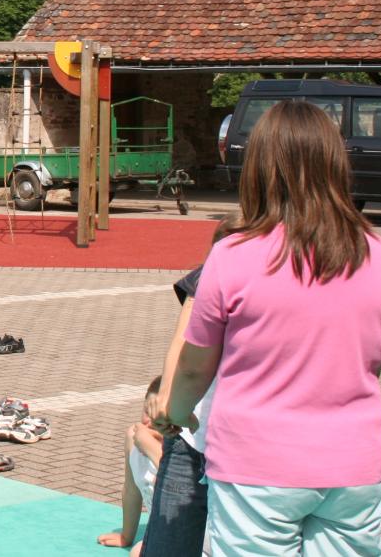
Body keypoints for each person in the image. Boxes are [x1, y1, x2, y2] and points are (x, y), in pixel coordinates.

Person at [155, 101, 381, 556]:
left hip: (258, 464)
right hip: (354, 463)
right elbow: (372, 361)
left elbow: (195, 367)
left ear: (260, 168)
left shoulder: (234, 255)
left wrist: (174, 412)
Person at [141, 216, 240, 557]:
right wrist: (167, 402)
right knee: (169, 541)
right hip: (190, 437)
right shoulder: (206, 278)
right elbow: (181, 347)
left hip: (240, 444)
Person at [98, 377, 164, 556]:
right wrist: (126, 535)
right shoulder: (133, 439)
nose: (149, 422)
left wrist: (151, 448)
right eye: (146, 411)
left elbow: (179, 484)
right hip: (162, 533)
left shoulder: (189, 450)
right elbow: (131, 490)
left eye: (159, 416)